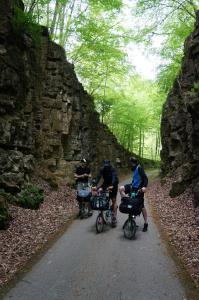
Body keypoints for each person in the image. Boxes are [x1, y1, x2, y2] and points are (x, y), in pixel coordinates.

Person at [119, 157, 148, 232]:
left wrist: (144, 187)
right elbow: (135, 179)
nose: (130, 165)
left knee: (141, 206)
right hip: (132, 187)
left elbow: (145, 178)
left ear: (133, 163)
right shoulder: (135, 169)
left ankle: (145, 223)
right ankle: (126, 201)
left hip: (139, 189)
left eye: (131, 163)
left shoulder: (139, 168)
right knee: (121, 189)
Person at [94, 159, 119, 226]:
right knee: (101, 197)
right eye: (105, 166)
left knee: (113, 200)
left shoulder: (112, 169)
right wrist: (95, 185)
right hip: (106, 183)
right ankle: (101, 217)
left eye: (107, 165)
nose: (106, 167)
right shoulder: (102, 169)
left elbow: (114, 177)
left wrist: (112, 185)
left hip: (113, 184)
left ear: (109, 165)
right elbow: (98, 177)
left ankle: (114, 217)